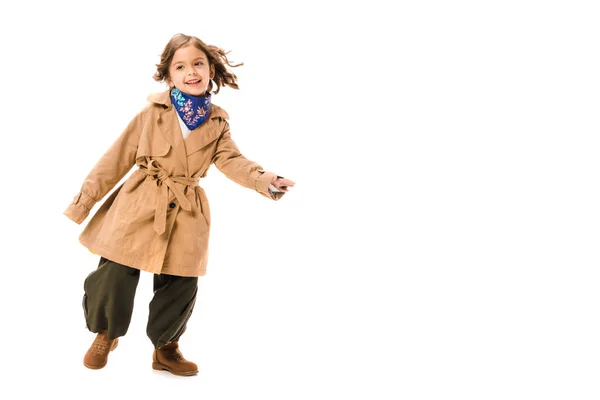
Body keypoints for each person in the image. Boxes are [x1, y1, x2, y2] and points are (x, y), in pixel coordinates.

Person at [63, 33, 295, 376]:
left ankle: (166, 347)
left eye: (198, 64)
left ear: (211, 70)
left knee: (181, 281)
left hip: (187, 209)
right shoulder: (151, 114)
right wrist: (84, 202)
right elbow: (115, 159)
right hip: (140, 201)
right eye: (181, 66)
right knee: (114, 271)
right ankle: (106, 332)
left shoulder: (217, 123)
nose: (191, 72)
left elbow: (233, 161)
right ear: (168, 75)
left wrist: (266, 180)